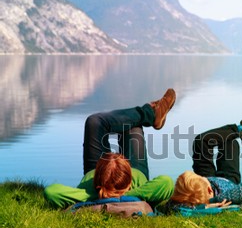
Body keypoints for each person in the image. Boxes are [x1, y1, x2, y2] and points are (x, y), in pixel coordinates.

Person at [44, 89, 176, 209]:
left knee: (94, 122)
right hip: (134, 174)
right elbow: (166, 183)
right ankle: (151, 113)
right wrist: (125, 196)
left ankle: (150, 112)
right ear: (129, 183)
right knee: (133, 127)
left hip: (98, 176)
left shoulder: (89, 191)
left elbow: (52, 192)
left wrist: (101, 197)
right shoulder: (138, 185)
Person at [169, 110, 242, 210]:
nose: (200, 177)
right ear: (209, 189)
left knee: (201, 141)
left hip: (203, 183)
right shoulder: (225, 196)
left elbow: (172, 206)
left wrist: (203, 205)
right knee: (229, 142)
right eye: (199, 178)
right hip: (228, 179)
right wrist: (211, 203)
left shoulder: (183, 202)